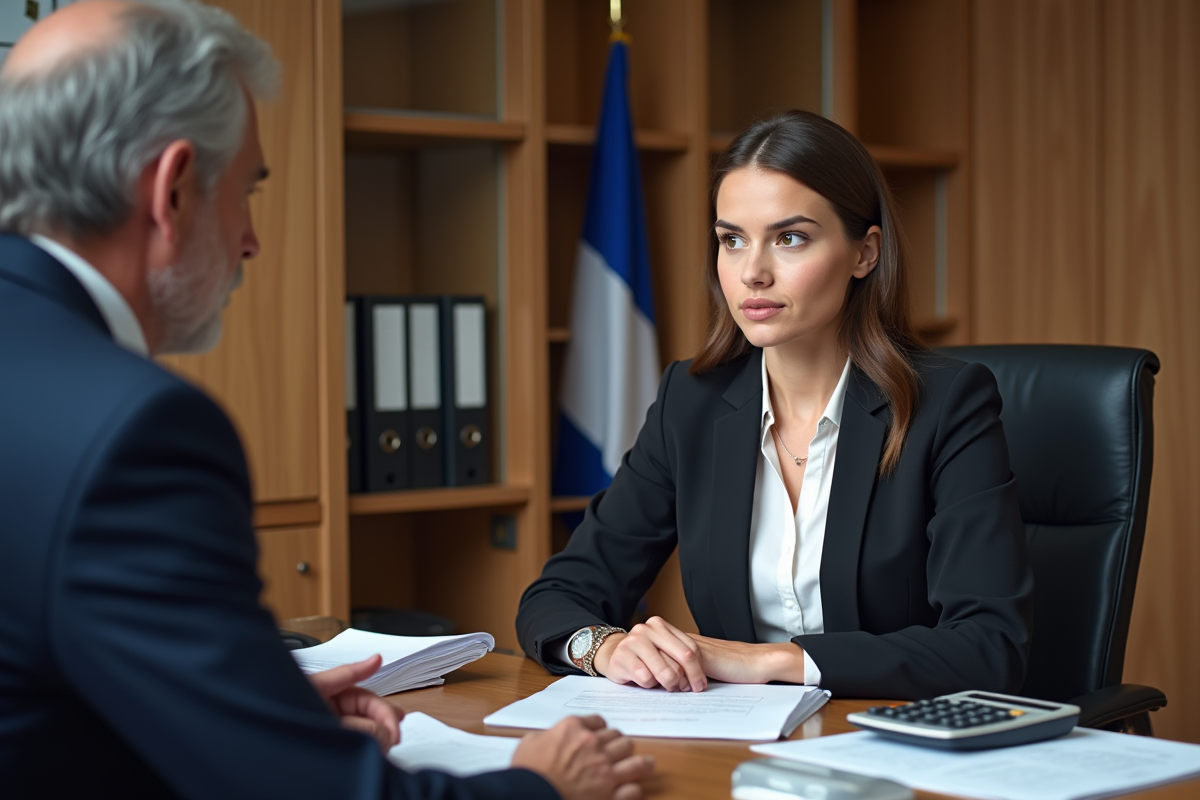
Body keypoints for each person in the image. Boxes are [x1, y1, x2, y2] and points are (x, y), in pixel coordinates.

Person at [0, 2, 652, 799]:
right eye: (246, 193)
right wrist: (543, 786)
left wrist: (248, 710)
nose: (250, 240)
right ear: (171, 190)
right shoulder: (133, 431)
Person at [518, 110, 1034, 701]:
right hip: (737, 748)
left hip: (894, 748)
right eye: (732, 240)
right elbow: (556, 596)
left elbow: (989, 647)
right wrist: (603, 646)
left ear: (864, 254)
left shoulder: (947, 404)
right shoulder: (693, 402)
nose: (752, 273)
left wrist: (768, 661)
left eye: (790, 238)